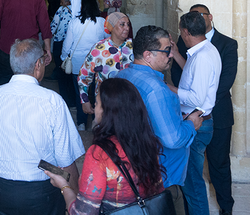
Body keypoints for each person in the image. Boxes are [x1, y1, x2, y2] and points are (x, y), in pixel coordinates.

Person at [0, 39, 85, 215]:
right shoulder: (52, 101)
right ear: (38, 65)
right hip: (41, 193)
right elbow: (65, 160)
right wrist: (73, 194)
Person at [44, 78, 165, 214]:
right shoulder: (148, 142)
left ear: (107, 112)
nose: (94, 108)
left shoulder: (100, 154)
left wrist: (64, 186)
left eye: (96, 103)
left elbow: (83, 213)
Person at [117, 26, 203, 215]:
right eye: (166, 51)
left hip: (129, 173)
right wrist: (191, 124)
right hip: (161, 179)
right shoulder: (156, 89)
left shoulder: (122, 76)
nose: (171, 55)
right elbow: (172, 140)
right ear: (148, 55)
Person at [173, 3, 238, 215]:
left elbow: (197, 96)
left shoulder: (205, 53)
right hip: (202, 118)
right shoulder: (203, 50)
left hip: (201, 120)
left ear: (185, 31)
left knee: (195, 181)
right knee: (192, 179)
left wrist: (169, 90)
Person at [61, 0, 107, 130]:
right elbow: (108, 39)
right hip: (97, 63)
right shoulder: (101, 22)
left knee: (80, 93)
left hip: (78, 63)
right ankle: (96, 121)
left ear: (82, 7)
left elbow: (67, 44)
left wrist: (64, 57)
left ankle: (81, 122)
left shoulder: (74, 23)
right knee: (97, 93)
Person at [77, 12, 134, 117]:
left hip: (129, 102)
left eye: (128, 24)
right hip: (106, 103)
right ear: (111, 27)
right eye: (122, 24)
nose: (126, 28)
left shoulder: (132, 47)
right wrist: (85, 100)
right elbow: (84, 76)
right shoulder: (99, 49)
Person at [51, 0, 76, 107]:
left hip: (60, 42)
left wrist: (48, 38)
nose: (60, 4)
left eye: (61, 2)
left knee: (61, 71)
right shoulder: (77, 11)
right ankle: (74, 99)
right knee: (72, 72)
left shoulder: (61, 9)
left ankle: (65, 99)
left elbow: (54, 25)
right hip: (73, 44)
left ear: (67, 2)